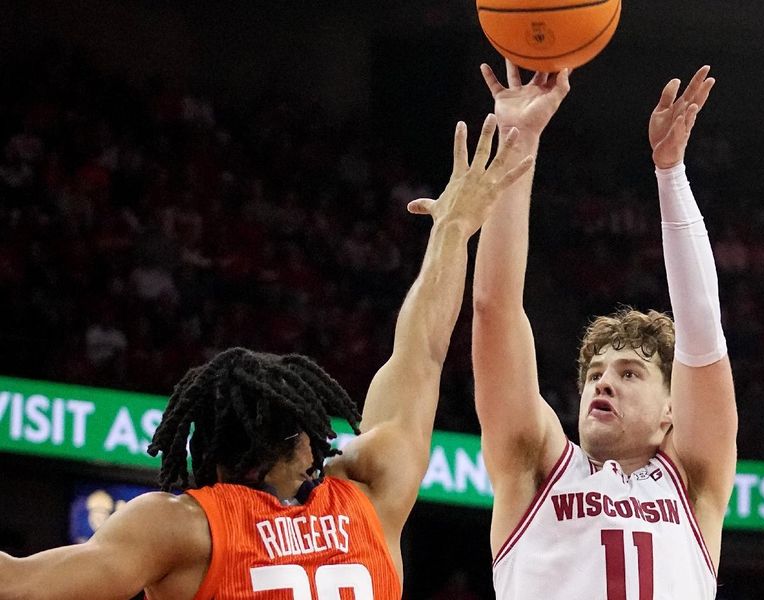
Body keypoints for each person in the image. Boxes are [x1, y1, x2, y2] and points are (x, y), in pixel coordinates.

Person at [0, 116, 534, 599]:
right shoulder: (371, 497)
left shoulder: (181, 529)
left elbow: (21, 585)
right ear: (302, 441)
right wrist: (452, 230)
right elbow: (422, 351)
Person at [472, 60, 736, 599]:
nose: (603, 382)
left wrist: (671, 173)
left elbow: (703, 333)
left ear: (671, 411)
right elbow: (494, 311)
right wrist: (518, 141)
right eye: (594, 372)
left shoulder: (695, 481)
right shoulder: (537, 465)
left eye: (630, 373)